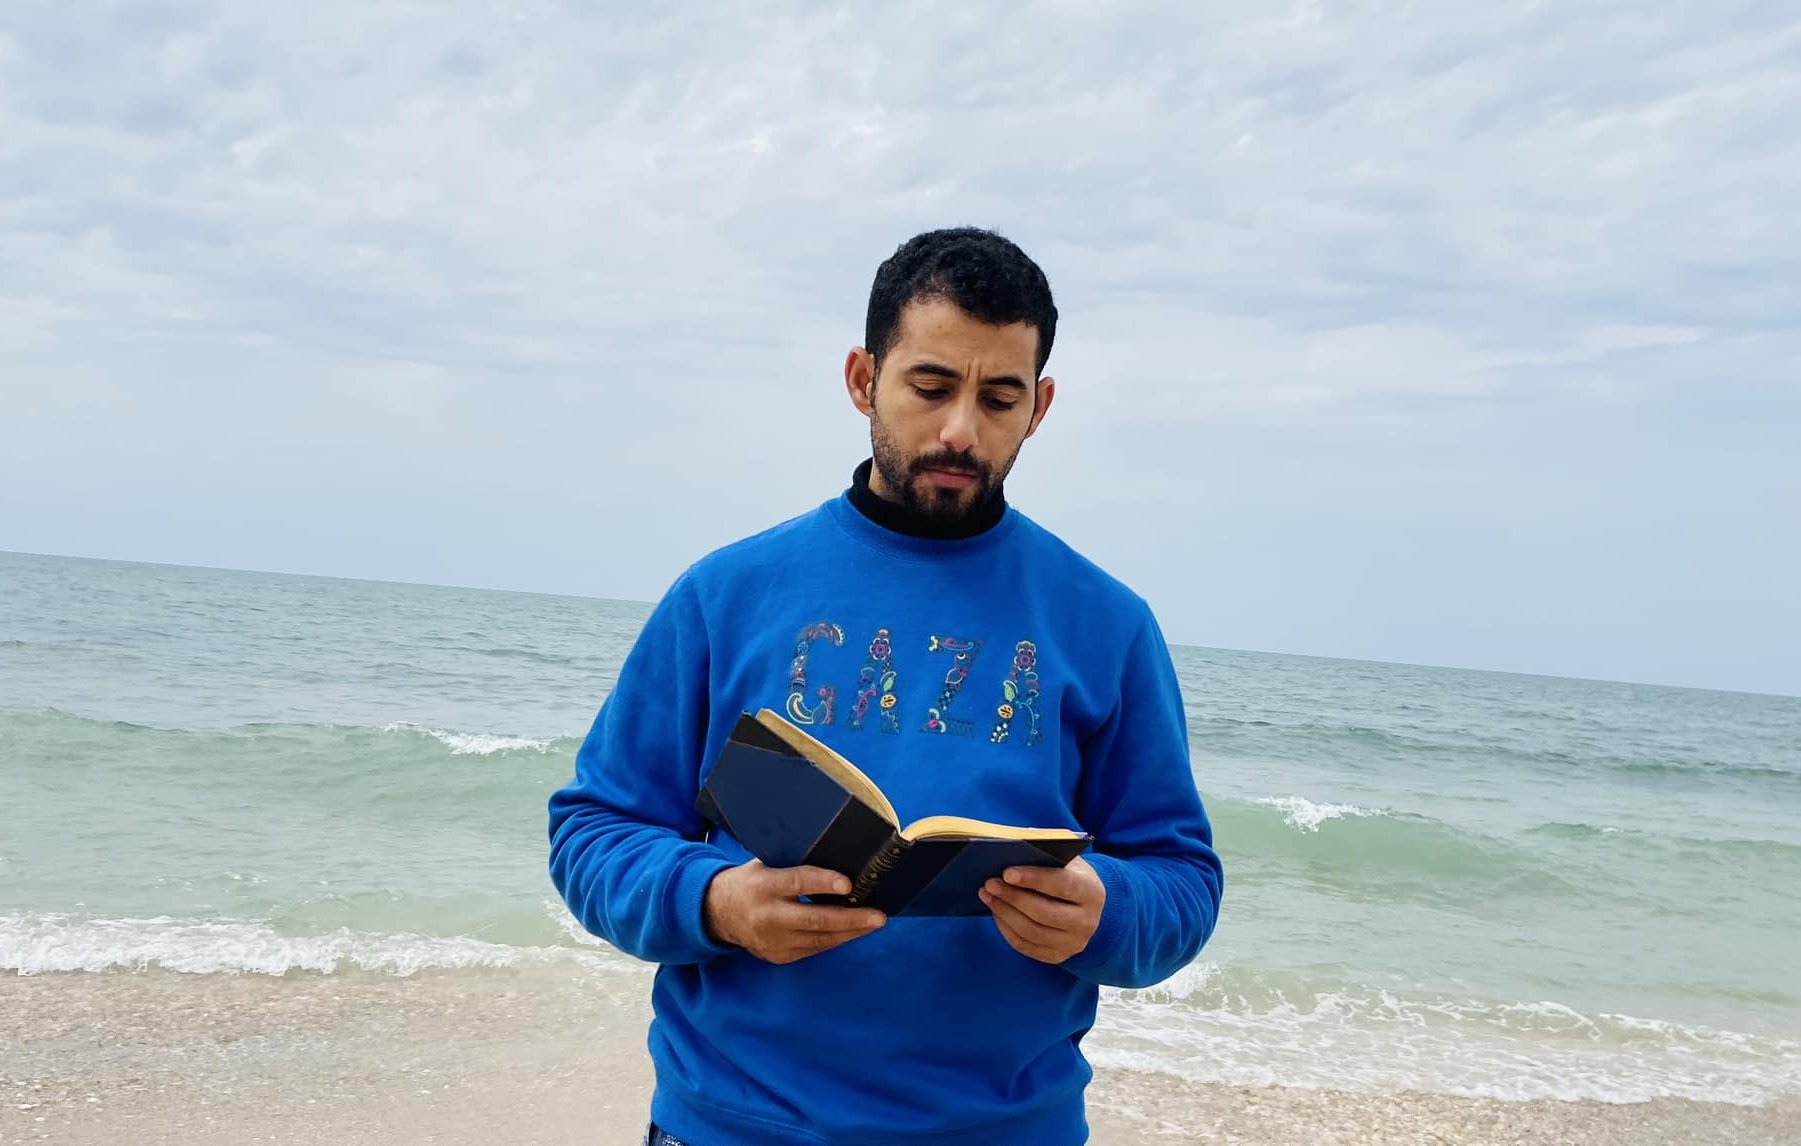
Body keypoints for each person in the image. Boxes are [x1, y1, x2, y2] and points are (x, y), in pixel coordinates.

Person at [548, 227, 1223, 1146]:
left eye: (998, 398)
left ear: (1040, 407)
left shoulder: (1106, 623)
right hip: (732, 1125)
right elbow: (594, 829)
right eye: (931, 387)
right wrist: (715, 903)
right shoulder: (725, 595)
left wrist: (1109, 913)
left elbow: (1182, 879)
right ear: (864, 379)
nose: (960, 430)